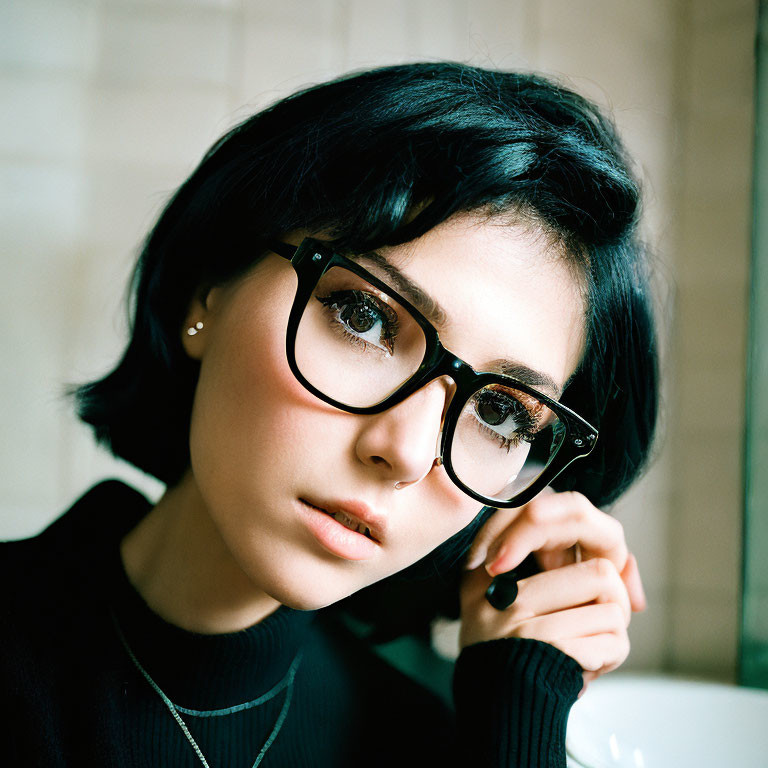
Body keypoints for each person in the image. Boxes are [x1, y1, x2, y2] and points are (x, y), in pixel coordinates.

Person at [1, 62, 657, 767]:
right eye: (364, 316)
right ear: (210, 288)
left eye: (499, 413)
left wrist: (520, 704)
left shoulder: (426, 741)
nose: (406, 451)